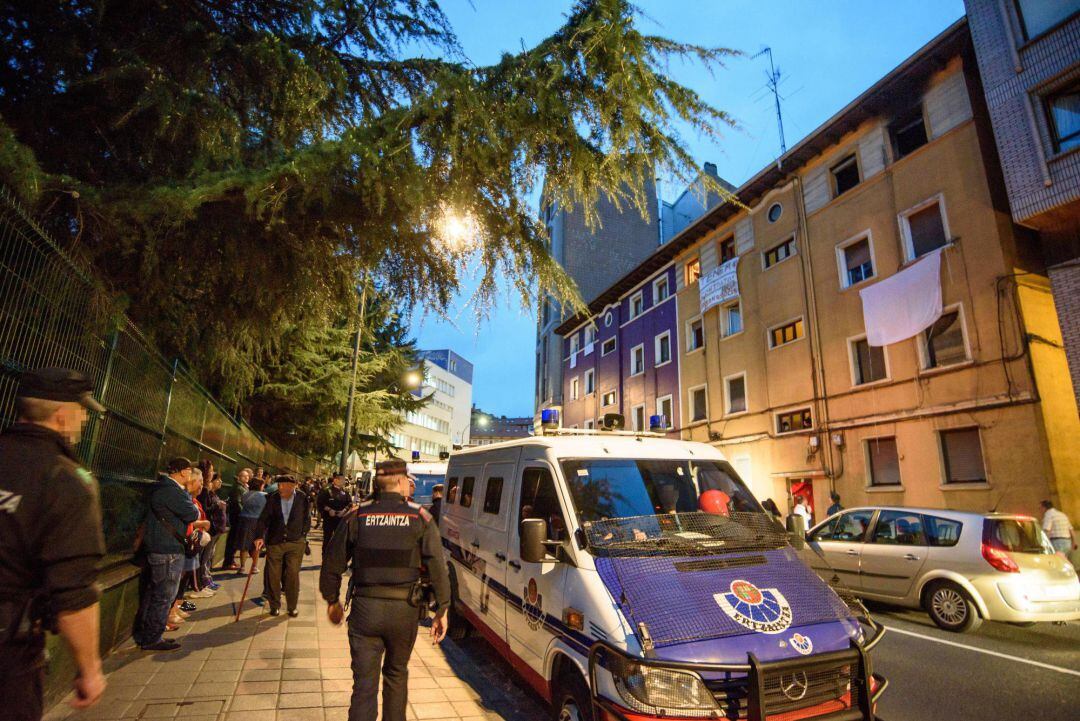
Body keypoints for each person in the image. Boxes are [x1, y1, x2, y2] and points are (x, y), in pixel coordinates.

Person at [0, 368, 108, 718]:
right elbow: (74, 590)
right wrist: (89, 668)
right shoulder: (64, 478)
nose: (86, 417)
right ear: (63, 415)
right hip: (9, 655)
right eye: (83, 410)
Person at [320, 458, 451, 721]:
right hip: (404, 611)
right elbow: (438, 568)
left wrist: (332, 600)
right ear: (402, 482)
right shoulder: (420, 517)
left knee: (364, 686)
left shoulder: (357, 515)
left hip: (365, 609)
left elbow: (332, 564)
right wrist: (442, 610)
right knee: (396, 675)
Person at [133, 456, 203, 652]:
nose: (191, 475)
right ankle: (152, 638)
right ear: (183, 472)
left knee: (157, 593)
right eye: (190, 471)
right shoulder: (170, 490)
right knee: (164, 595)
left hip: (163, 547)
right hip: (167, 549)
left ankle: (149, 634)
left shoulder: (163, 488)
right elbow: (193, 514)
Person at [253, 475, 311, 617]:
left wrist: (303, 535)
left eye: (284, 485)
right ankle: (274, 605)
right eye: (279, 485)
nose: (280, 488)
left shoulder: (302, 498)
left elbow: (306, 518)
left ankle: (292, 607)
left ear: (293, 486)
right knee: (273, 575)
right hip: (275, 541)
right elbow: (263, 519)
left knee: (292, 574)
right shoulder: (272, 498)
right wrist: (259, 536)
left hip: (295, 542)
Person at [222, 467, 251, 570]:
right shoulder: (238, 488)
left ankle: (231, 560)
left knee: (234, 540)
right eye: (244, 476)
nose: (246, 478)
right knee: (232, 540)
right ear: (239, 477)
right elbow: (237, 502)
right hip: (237, 517)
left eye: (247, 476)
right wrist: (244, 513)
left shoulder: (243, 487)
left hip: (238, 516)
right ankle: (228, 562)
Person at [237, 477, 267, 572]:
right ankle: (254, 566)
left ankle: (242, 567)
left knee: (244, 545)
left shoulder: (245, 494)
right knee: (256, 545)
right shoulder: (265, 495)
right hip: (258, 521)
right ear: (260, 486)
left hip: (244, 520)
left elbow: (242, 502)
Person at [317, 473, 353, 543]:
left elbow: (350, 503)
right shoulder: (326, 491)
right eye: (342, 480)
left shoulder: (345, 492)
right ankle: (325, 553)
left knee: (339, 541)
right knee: (327, 539)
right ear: (335, 480)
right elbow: (320, 502)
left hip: (340, 519)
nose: (343, 482)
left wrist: (344, 511)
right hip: (329, 519)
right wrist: (329, 509)